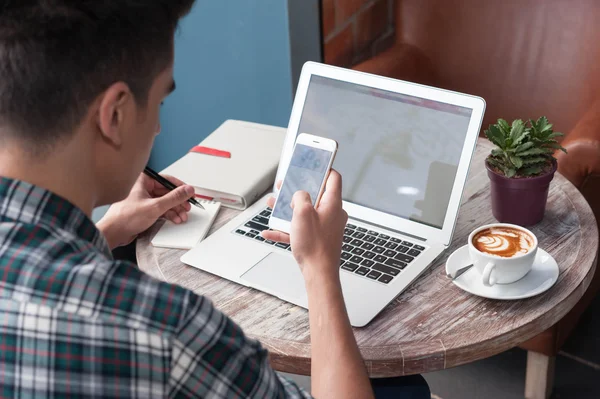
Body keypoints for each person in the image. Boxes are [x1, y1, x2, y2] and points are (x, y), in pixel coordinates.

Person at [0, 1, 430, 397]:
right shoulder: (167, 331)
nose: (157, 130)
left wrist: (108, 230)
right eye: (160, 104)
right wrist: (320, 267)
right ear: (115, 115)